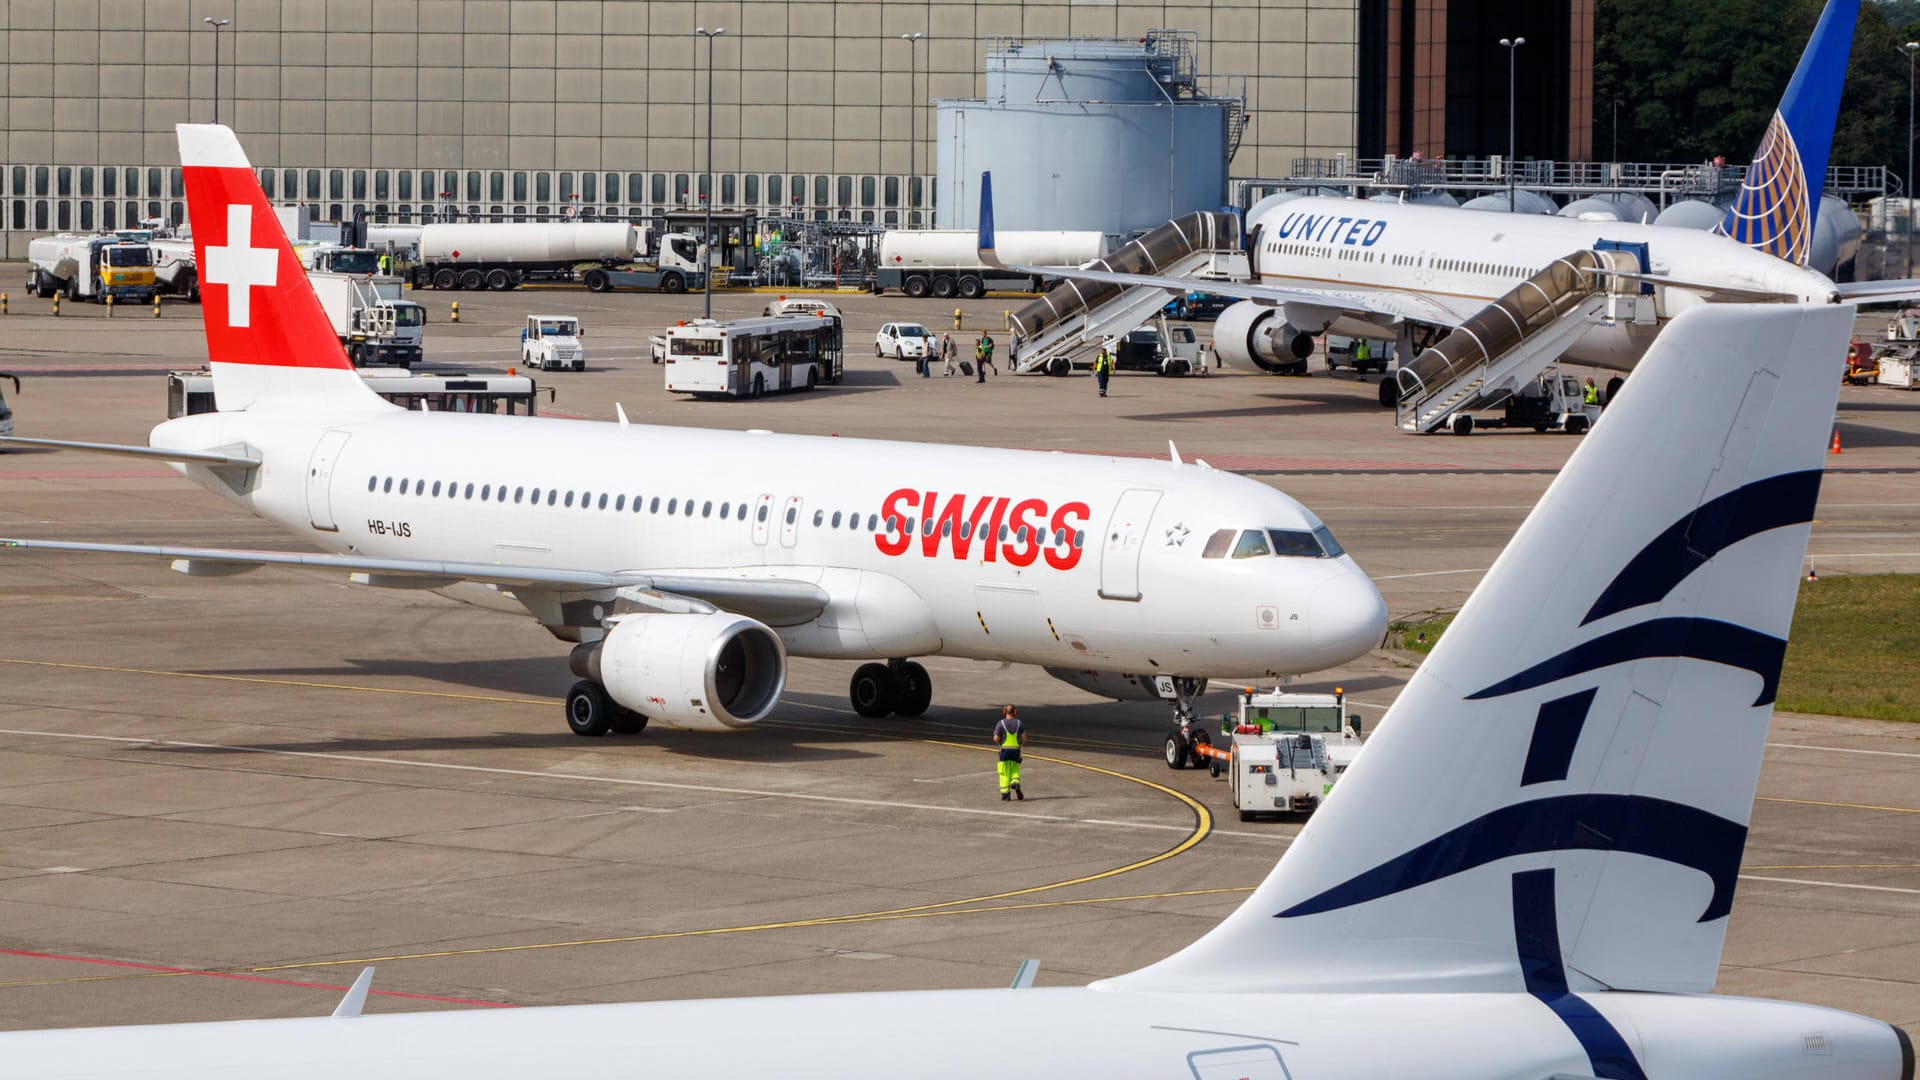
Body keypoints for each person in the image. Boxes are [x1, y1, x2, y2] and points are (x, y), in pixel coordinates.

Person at [993, 704, 1026, 800]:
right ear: (1015, 712)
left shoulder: (1001, 723)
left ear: (1004, 712)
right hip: (1016, 750)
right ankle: (1015, 782)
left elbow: (995, 738)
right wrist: (1021, 744)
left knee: (1004, 772)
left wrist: (999, 742)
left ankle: (1006, 794)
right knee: (1015, 768)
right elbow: (1024, 737)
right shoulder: (1020, 723)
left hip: (1004, 751)